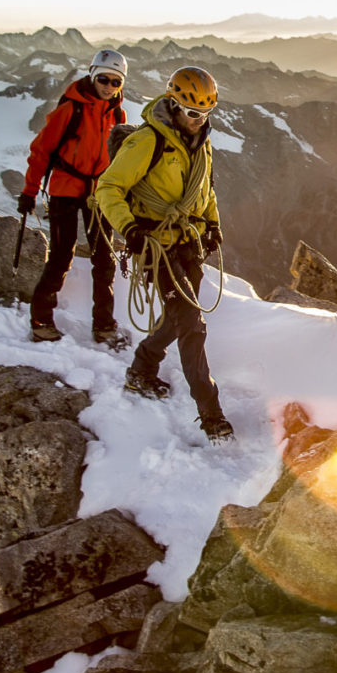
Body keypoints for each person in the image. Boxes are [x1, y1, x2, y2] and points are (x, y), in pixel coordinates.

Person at [95, 65, 231, 441]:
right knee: (191, 324)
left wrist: (213, 224)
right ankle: (212, 415)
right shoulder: (147, 142)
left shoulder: (200, 142)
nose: (197, 120)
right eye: (191, 112)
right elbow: (107, 188)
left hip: (189, 242)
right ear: (173, 105)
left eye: (204, 114)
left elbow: (206, 191)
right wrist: (130, 229)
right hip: (155, 244)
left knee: (178, 319)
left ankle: (141, 368)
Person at [19, 48, 129, 345]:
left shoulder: (118, 115)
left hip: (99, 193)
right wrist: (29, 192)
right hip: (66, 189)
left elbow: (119, 160)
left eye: (115, 82)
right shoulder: (70, 109)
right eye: (104, 79)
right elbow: (41, 151)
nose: (108, 87)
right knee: (60, 256)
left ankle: (104, 325)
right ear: (92, 75)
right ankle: (41, 321)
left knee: (104, 259)